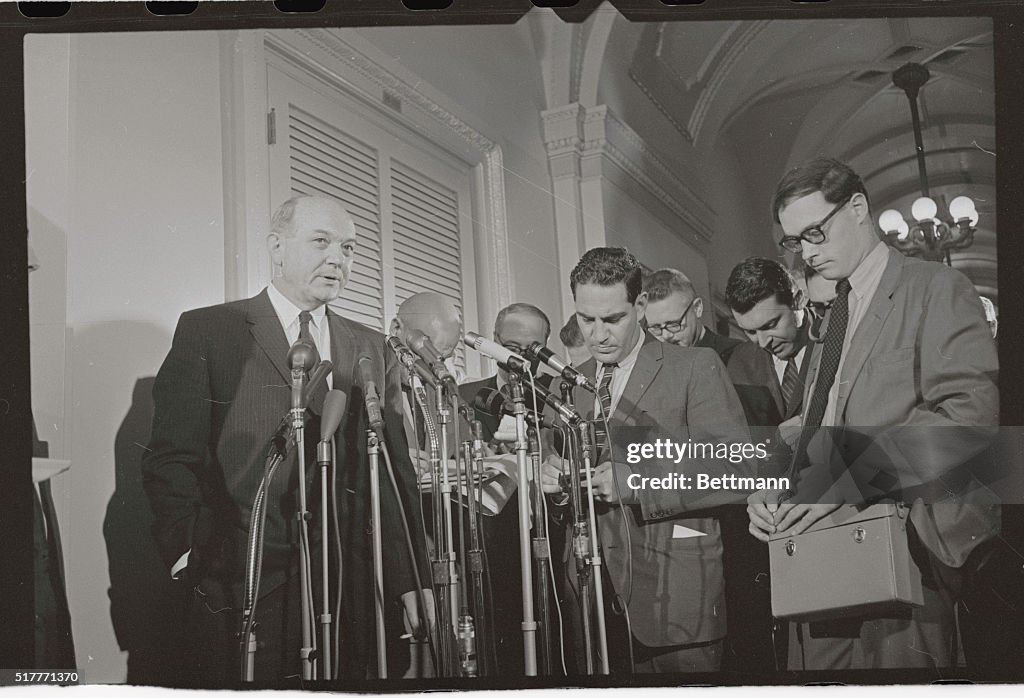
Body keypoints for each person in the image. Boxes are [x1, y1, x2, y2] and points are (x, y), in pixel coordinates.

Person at [142, 195, 432, 684]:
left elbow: (392, 473)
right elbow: (172, 456)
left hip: (344, 586)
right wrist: (189, 555)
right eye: (321, 242)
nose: (337, 258)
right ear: (277, 248)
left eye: (349, 247)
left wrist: (410, 578)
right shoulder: (211, 329)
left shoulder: (369, 346)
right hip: (241, 576)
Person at [747, 157, 999, 670]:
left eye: (816, 233)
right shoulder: (834, 313)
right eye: (796, 242)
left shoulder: (934, 288)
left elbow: (968, 418)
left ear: (858, 207)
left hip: (907, 550)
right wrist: (777, 484)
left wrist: (847, 477)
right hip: (821, 556)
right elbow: (820, 424)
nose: (808, 254)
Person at [542, 247, 750, 674]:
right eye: (586, 319)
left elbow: (736, 470)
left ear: (639, 306)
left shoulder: (694, 366)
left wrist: (636, 482)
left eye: (612, 319)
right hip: (590, 597)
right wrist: (549, 481)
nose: (598, 335)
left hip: (675, 598)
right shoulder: (570, 386)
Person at [644, 268, 741, 364]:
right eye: (655, 327)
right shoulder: (654, 366)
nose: (666, 336)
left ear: (697, 308)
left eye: (673, 324)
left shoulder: (735, 356)